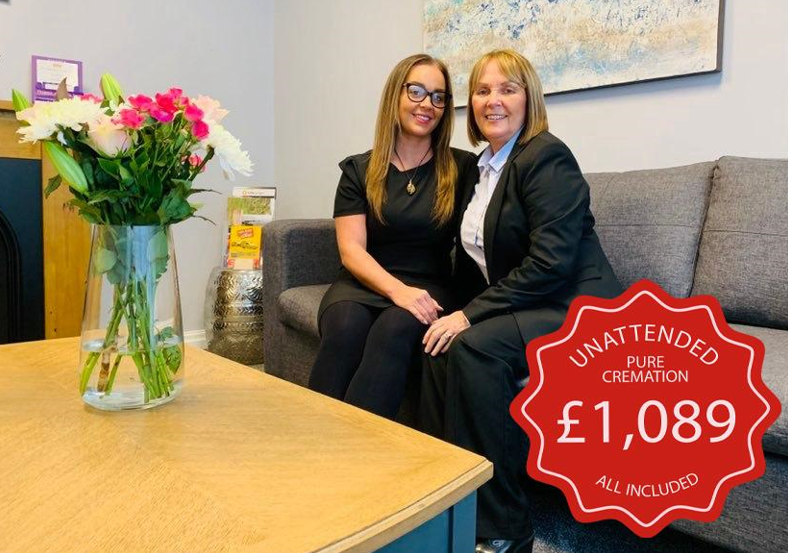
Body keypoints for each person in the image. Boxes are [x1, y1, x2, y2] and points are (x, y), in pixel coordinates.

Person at [419, 49, 623, 553]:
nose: (494, 100)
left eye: (507, 89)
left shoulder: (545, 157)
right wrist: (443, 309)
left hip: (579, 307)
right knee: (437, 345)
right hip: (532, 302)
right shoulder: (483, 168)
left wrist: (470, 316)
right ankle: (446, 497)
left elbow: (551, 263)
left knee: (476, 347)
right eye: (483, 90)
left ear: (528, 99)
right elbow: (476, 260)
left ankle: (505, 528)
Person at [308, 54, 477, 420]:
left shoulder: (463, 168)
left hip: (428, 286)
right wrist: (397, 290)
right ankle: (312, 438)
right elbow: (351, 249)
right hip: (362, 282)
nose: (427, 104)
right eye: (416, 91)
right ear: (395, 95)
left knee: (394, 329)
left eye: (438, 96)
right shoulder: (359, 169)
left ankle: (358, 447)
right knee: (345, 327)